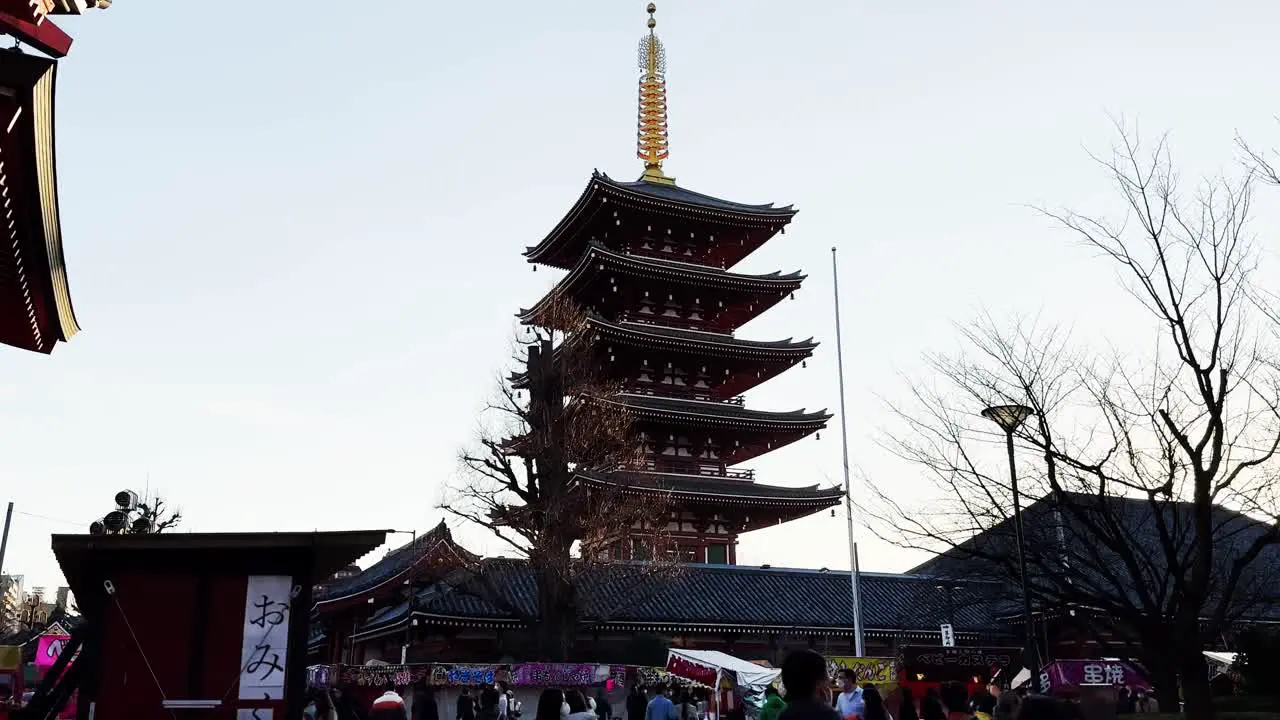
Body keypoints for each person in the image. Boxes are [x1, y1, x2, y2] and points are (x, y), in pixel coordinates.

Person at [777, 650, 840, 720]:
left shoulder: (784, 714)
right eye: (827, 672)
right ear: (818, 683)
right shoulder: (828, 715)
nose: (829, 679)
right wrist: (827, 707)